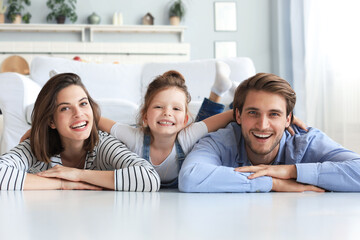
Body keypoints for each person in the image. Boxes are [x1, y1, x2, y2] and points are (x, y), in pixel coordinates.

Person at [97, 64, 306, 188]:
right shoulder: (133, 137)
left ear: (185, 119)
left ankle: (222, 91)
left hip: (196, 126)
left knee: (205, 124)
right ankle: (219, 90)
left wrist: (277, 117)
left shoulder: (187, 135)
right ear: (144, 115)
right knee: (202, 123)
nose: (167, 113)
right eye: (159, 107)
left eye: (176, 109)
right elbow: (98, 119)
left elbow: (229, 117)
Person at [179, 72, 360, 193]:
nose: (263, 125)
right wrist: (272, 182)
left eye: (274, 114)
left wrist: (291, 171)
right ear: (238, 116)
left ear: (288, 119)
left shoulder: (305, 141)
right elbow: (190, 177)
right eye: (253, 113)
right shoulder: (222, 140)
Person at [0, 73, 160, 191]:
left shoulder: (103, 144)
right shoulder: (33, 147)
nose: (78, 114)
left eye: (83, 104)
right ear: (51, 121)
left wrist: (78, 174)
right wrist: (62, 183)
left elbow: (149, 178)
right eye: (65, 108)